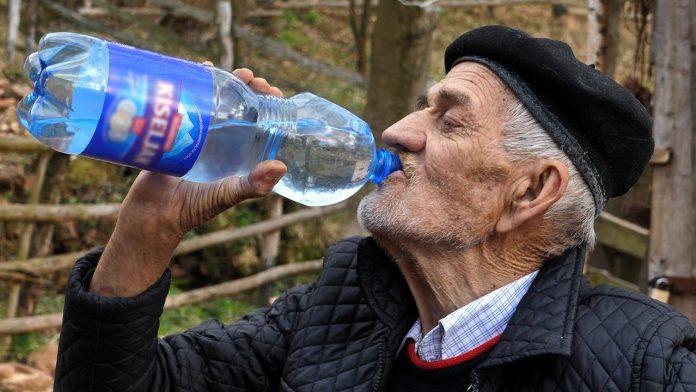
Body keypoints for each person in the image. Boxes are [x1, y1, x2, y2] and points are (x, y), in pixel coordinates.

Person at [54, 26, 696, 391]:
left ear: (529, 192)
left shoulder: (647, 364)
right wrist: (146, 230)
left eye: (449, 121)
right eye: (422, 105)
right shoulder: (331, 314)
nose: (395, 130)